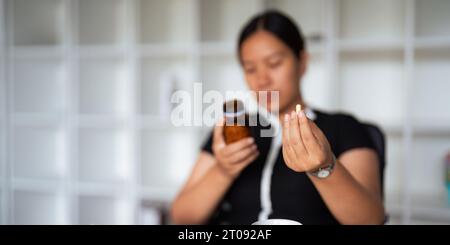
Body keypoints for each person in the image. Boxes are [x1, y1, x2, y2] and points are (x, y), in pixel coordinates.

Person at [170, 10, 385, 225]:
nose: (262, 80)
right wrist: (223, 171)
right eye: (250, 69)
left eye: (274, 63)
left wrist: (323, 167)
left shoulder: (343, 127)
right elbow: (181, 218)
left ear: (302, 62)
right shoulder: (234, 132)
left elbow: (371, 220)